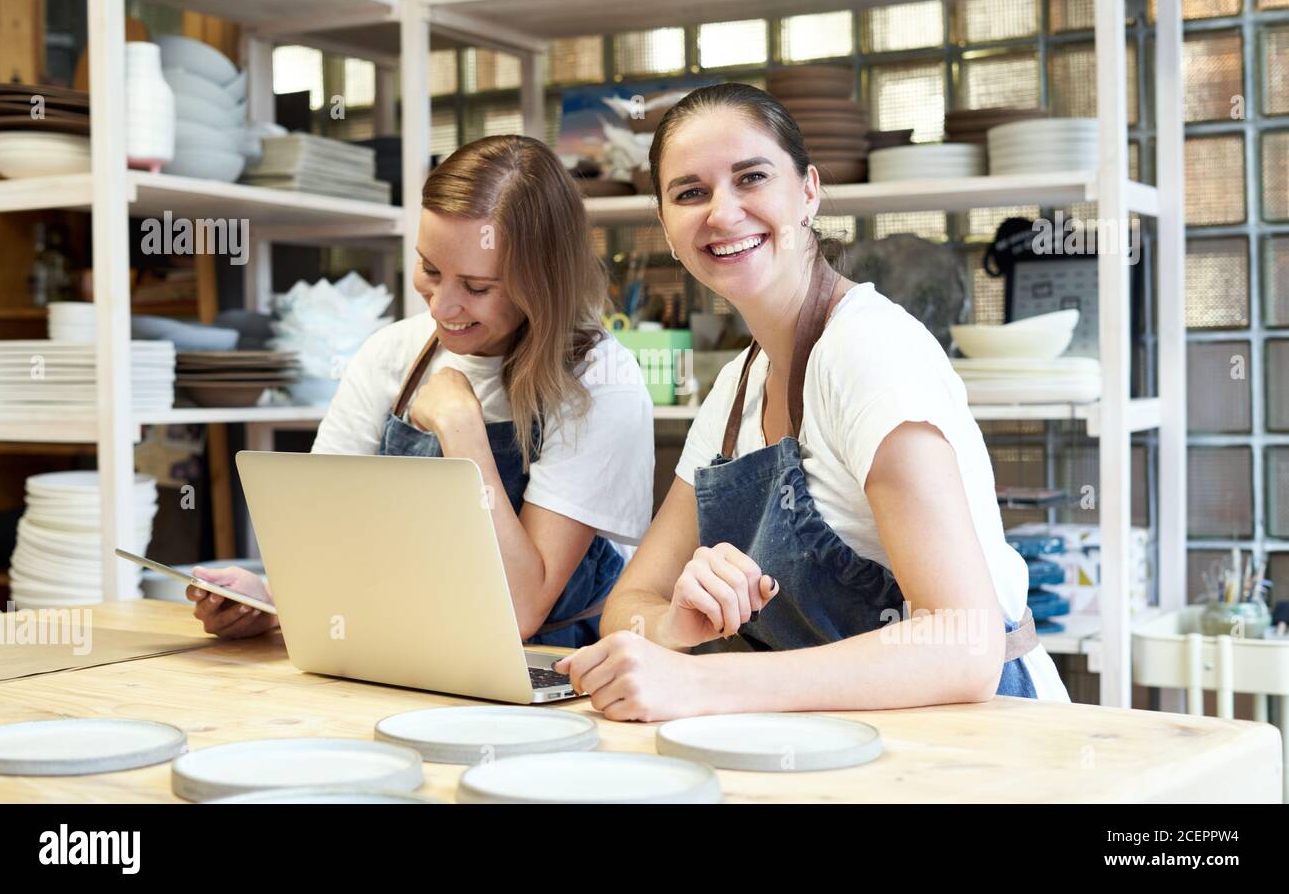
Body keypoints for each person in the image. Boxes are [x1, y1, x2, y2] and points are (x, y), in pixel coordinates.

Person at [554, 83, 1071, 720]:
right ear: (663, 223)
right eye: (690, 192)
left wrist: (703, 685)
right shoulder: (738, 385)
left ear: (808, 191)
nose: (722, 212)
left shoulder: (869, 351)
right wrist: (671, 627)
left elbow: (963, 643)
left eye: (751, 178)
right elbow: (629, 602)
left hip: (976, 737)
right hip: (839, 739)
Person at [189, 135, 655, 648]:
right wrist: (277, 601)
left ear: (543, 282)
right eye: (430, 270)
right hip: (407, 646)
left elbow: (520, 607)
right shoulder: (393, 354)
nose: (441, 309)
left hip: (556, 669)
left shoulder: (599, 380)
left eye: (477, 288)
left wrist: (464, 434)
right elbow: (325, 537)